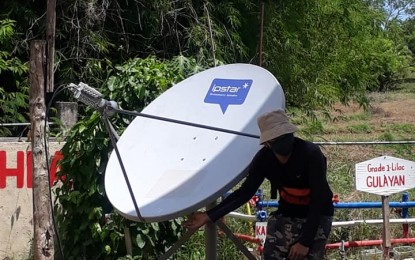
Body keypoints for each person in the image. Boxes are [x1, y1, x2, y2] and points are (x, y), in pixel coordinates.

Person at [182, 109, 334, 260]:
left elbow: (318, 198)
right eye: (278, 138)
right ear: (268, 143)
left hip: (318, 214)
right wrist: (209, 215)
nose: (284, 140)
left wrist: (305, 242)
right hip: (288, 213)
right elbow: (245, 193)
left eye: (286, 135)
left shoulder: (310, 154)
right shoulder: (264, 159)